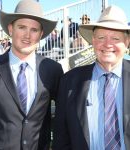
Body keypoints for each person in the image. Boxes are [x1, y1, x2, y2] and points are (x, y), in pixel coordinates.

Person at [0, 0, 63, 150]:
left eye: (34, 30)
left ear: (41, 34)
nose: (27, 35)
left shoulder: (53, 70)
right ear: (10, 29)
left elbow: (63, 116)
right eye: (22, 27)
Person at [53, 5, 130, 150]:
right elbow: (61, 139)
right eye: (101, 37)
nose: (108, 44)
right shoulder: (69, 81)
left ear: (126, 43)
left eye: (115, 38)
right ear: (93, 41)